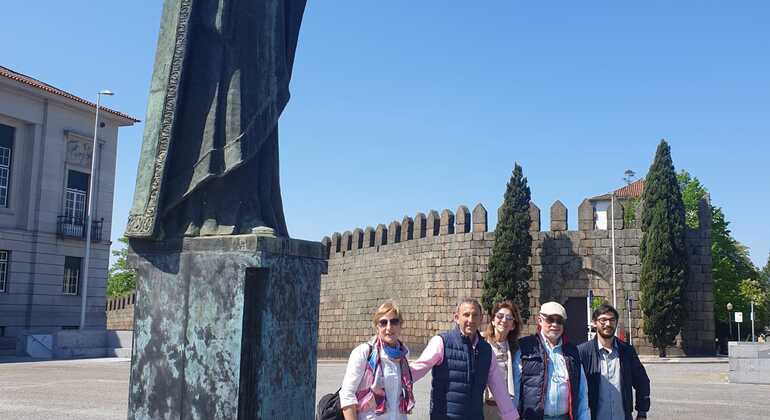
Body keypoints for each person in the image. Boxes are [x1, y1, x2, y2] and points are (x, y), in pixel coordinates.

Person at [410, 298, 519, 420]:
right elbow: (417, 369)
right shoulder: (442, 342)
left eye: (475, 315)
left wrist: (511, 416)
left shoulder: (487, 350)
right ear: (456, 318)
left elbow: (498, 387)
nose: (471, 320)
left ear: (481, 318)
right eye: (466, 315)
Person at [513, 302, 590, 420]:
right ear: (539, 320)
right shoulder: (525, 348)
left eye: (559, 321)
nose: (555, 324)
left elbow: (582, 392)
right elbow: (516, 389)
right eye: (550, 319)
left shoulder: (572, 351)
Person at [340, 302, 416, 420]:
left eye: (394, 322)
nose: (389, 327)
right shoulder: (364, 353)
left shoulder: (403, 355)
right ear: (377, 327)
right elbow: (347, 394)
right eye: (383, 322)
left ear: (400, 325)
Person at [577, 304, 650, 420]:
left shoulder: (627, 351)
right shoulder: (582, 352)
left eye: (612, 320)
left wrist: (642, 412)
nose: (608, 324)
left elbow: (642, 381)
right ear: (594, 323)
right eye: (603, 320)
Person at [483, 301, 524, 420]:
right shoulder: (481, 343)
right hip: (483, 406)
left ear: (513, 325)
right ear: (493, 321)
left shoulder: (515, 349)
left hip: (505, 409)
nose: (504, 320)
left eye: (509, 318)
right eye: (499, 316)